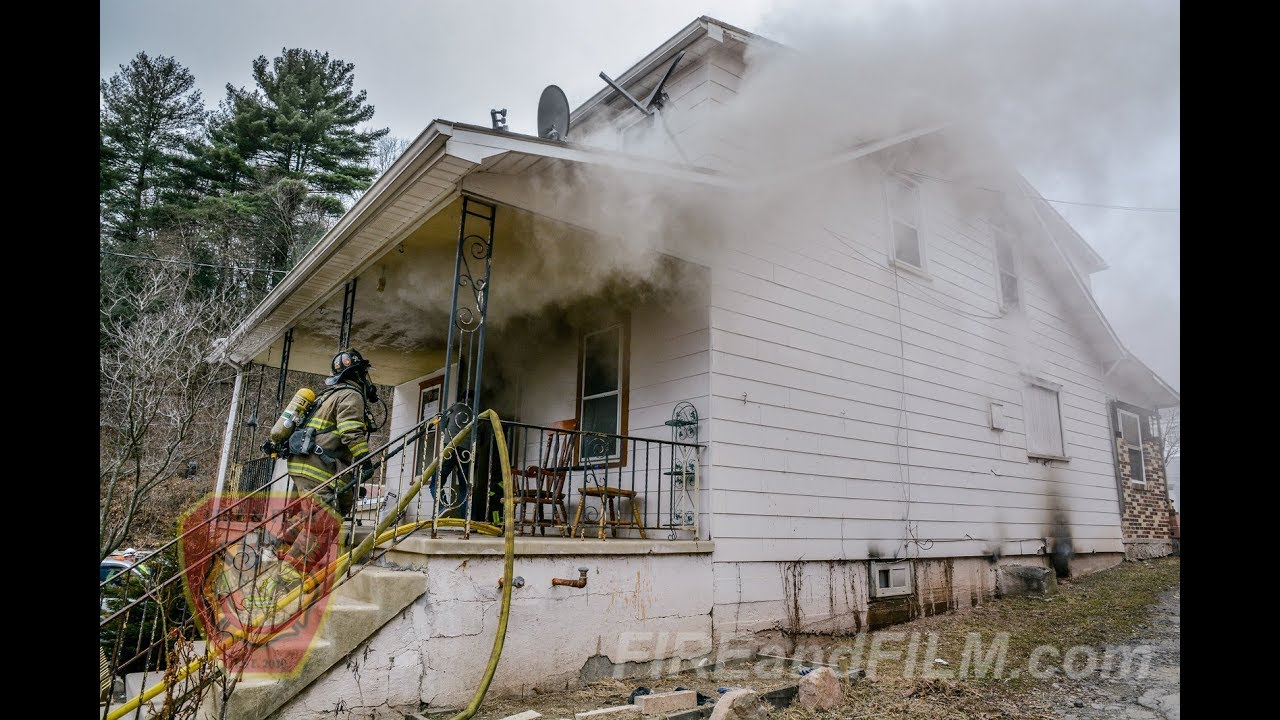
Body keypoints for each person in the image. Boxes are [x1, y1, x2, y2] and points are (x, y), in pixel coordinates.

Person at [279, 348, 378, 569]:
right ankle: (287, 578)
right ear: (360, 374)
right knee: (324, 525)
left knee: (330, 509)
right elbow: (350, 431)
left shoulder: (328, 395)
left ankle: (279, 546)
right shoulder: (351, 395)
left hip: (305, 464)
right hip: (318, 466)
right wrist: (365, 460)